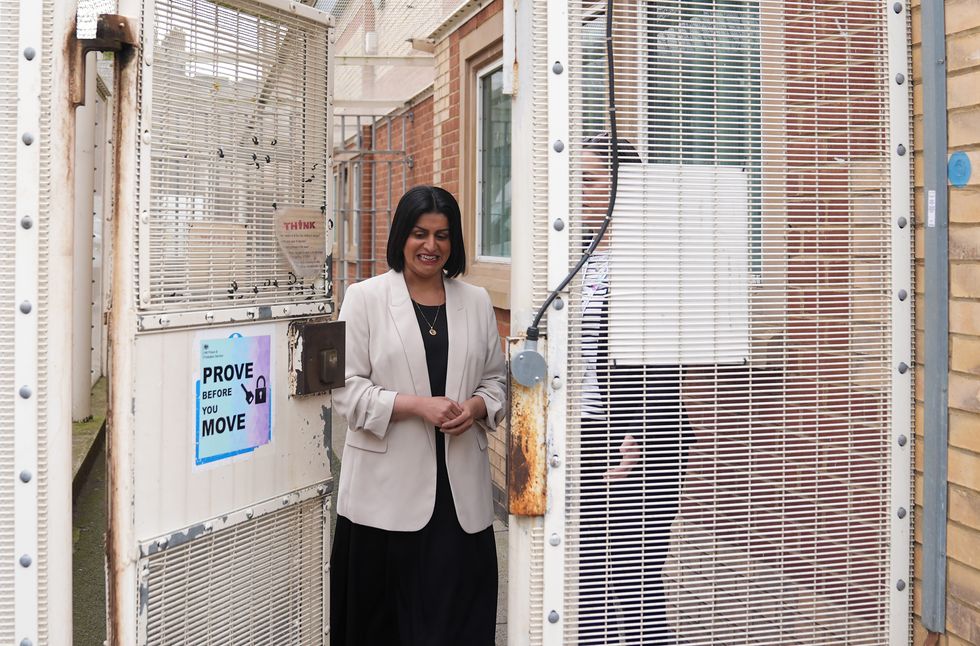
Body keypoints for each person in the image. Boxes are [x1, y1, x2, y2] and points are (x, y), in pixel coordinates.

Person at [329, 186, 506, 646]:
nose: (431, 246)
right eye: (420, 233)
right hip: (382, 503)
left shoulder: (478, 300)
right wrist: (415, 405)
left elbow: (497, 383)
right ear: (401, 237)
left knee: (456, 627)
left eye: (443, 235)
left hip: (460, 504)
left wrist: (475, 407)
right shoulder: (364, 298)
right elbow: (345, 393)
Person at [577, 134, 693, 645]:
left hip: (639, 438)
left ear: (625, 186)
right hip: (587, 429)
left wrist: (638, 432)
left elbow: (665, 354)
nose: (579, 192)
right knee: (583, 576)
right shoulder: (575, 253)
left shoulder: (652, 256)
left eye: (590, 179)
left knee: (632, 581)